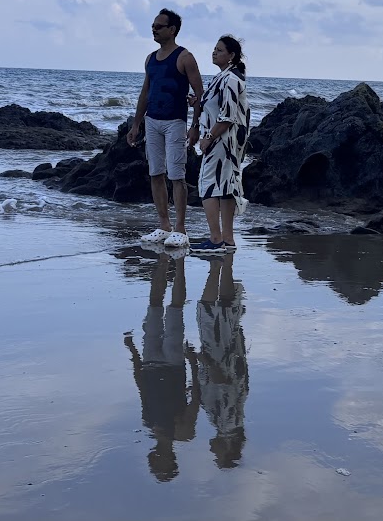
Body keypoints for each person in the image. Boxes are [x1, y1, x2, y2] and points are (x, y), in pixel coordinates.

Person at [127, 8, 203, 249]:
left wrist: (195, 126)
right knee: (155, 173)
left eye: (159, 26)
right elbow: (146, 92)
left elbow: (200, 94)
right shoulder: (150, 58)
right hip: (153, 121)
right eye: (153, 25)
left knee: (176, 175)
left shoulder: (185, 57)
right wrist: (136, 123)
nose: (154, 29)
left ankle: (181, 229)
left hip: (175, 122)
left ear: (172, 30)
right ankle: (164, 225)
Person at [124, 252, 199, 481]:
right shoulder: (184, 433)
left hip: (150, 363)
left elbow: (142, 389)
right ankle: (180, 263)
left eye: (154, 467)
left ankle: (165, 261)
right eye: (159, 466)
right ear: (171, 461)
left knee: (154, 305)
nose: (154, 462)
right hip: (174, 364)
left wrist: (133, 352)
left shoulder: (149, 424)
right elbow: (196, 398)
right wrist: (193, 362)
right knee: (175, 308)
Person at [189, 35, 249, 253]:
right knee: (225, 187)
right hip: (227, 140)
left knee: (208, 185)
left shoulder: (230, 79)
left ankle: (216, 239)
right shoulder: (223, 77)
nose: (214, 53)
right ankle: (227, 239)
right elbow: (218, 107)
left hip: (224, 140)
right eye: (214, 49)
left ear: (231, 55)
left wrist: (209, 137)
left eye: (220, 50)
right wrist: (199, 103)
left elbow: (228, 116)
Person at [194, 253, 248, 469]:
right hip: (219, 356)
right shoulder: (227, 423)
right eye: (216, 456)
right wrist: (202, 361)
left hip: (226, 358)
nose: (211, 451)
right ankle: (217, 266)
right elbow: (223, 385)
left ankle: (221, 265)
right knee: (210, 312)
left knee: (223, 312)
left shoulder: (232, 423)